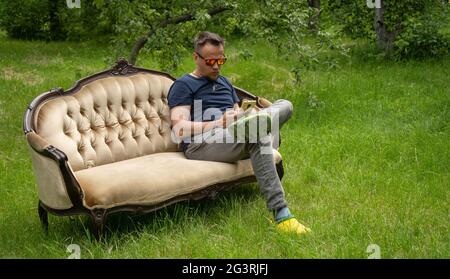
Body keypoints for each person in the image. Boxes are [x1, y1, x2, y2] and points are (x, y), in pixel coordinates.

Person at [168, 31, 310, 235]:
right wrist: (218, 122)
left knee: (285, 105)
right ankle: (282, 215)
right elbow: (179, 128)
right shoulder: (183, 85)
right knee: (256, 133)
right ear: (195, 58)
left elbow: (235, 110)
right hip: (201, 144)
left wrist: (240, 114)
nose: (216, 66)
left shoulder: (224, 82)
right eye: (210, 61)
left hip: (232, 135)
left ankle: (262, 124)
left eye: (220, 60)